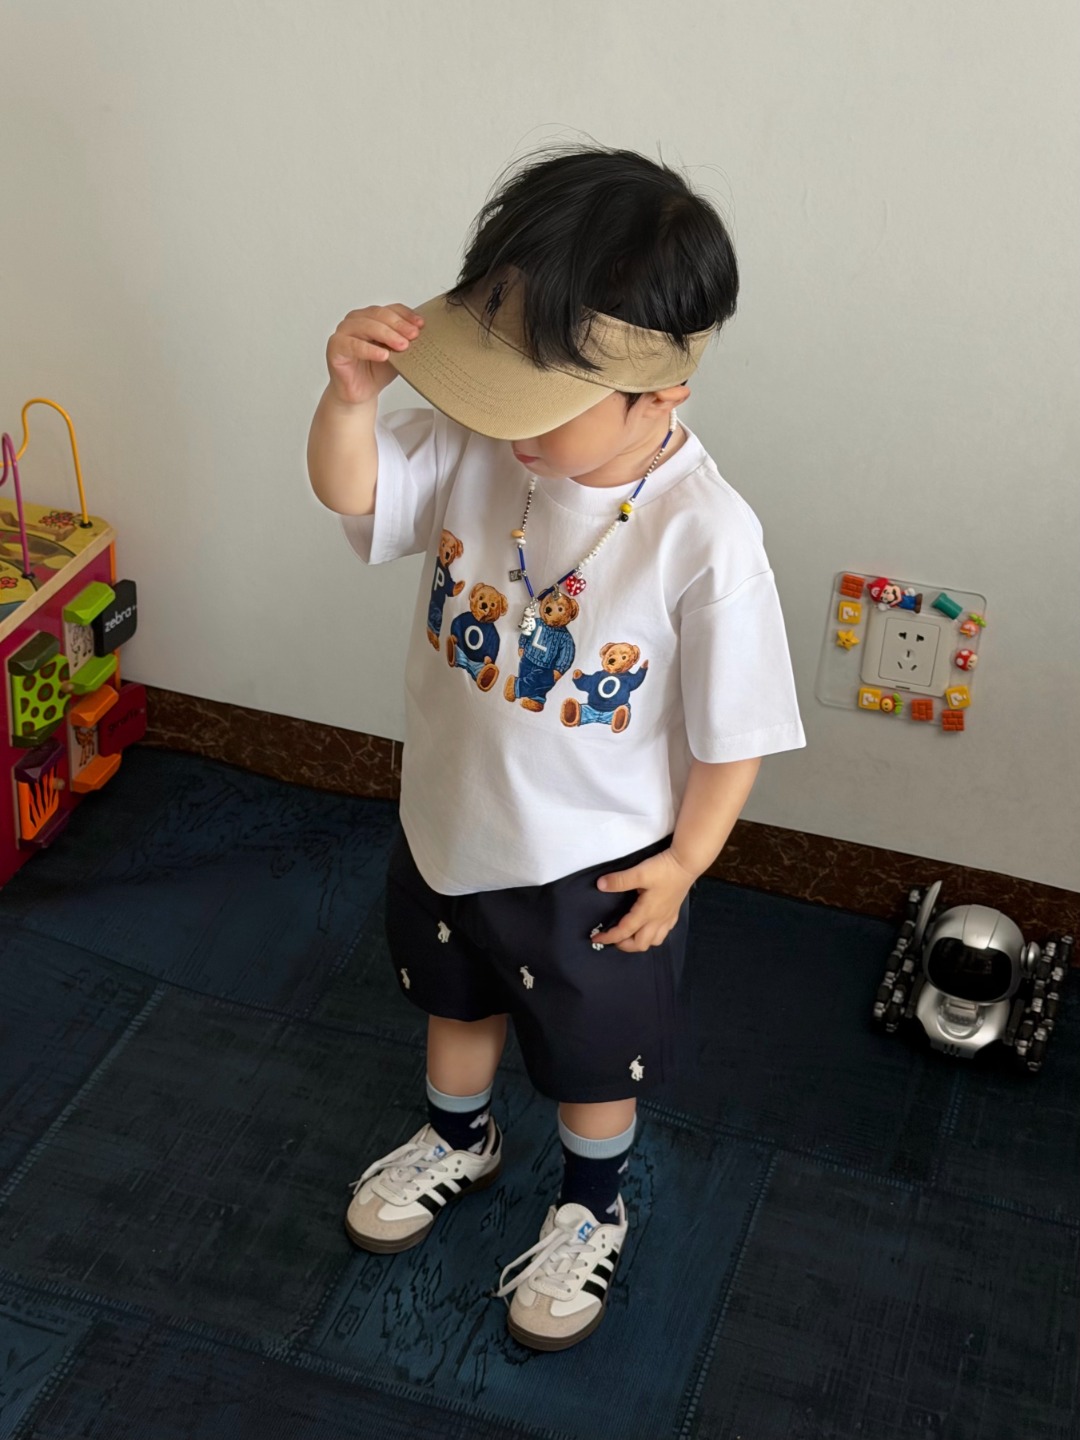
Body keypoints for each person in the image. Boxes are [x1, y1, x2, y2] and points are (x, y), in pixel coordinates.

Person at [306, 144, 805, 1352]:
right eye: (496, 380)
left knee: (592, 1060)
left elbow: (735, 734)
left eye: (544, 400)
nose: (503, 420)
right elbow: (351, 494)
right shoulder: (485, 444)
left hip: (593, 859)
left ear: (661, 393)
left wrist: (686, 864)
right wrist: (350, 400)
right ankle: (460, 1136)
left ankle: (591, 1205)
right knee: (454, 997)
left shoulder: (707, 538)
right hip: (447, 815)